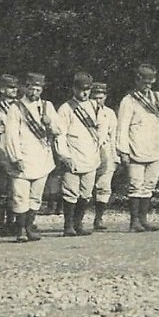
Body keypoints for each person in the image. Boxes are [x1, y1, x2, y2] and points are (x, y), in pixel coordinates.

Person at [116, 63, 159, 232]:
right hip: (136, 148)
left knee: (149, 185)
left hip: (155, 148)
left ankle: (144, 219)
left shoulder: (157, 97)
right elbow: (122, 127)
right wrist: (123, 152)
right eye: (145, 82)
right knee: (136, 185)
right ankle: (134, 221)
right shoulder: (128, 101)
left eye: (151, 82)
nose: (148, 85)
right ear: (137, 80)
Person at [5, 73, 60, 242]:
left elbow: (58, 130)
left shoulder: (47, 106)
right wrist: (15, 157)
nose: (35, 92)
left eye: (38, 89)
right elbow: (11, 135)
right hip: (23, 156)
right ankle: (20, 229)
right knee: (20, 196)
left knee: (36, 196)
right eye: (32, 88)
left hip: (42, 157)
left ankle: (30, 227)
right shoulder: (16, 108)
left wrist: (49, 122)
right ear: (26, 87)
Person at [54, 72, 101, 236]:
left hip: (90, 156)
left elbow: (99, 130)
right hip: (73, 156)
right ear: (74, 89)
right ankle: (68, 226)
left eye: (87, 89)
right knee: (70, 192)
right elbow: (60, 135)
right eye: (81, 89)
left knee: (86, 193)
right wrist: (64, 155)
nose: (85, 93)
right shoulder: (65, 109)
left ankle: (78, 223)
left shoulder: (95, 106)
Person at [0, 74, 21, 236]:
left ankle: (14, 222)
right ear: (2, 89)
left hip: (17, 153)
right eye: (10, 87)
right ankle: (2, 223)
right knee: (0, 191)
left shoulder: (21, 106)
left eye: (15, 87)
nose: (14, 90)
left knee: (16, 190)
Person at [90, 82, 118, 230]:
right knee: (85, 186)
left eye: (101, 98)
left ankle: (98, 218)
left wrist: (115, 155)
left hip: (105, 150)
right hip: (87, 151)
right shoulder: (83, 111)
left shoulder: (110, 113)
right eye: (95, 98)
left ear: (105, 97)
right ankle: (77, 220)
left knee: (104, 186)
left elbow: (113, 135)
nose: (98, 101)